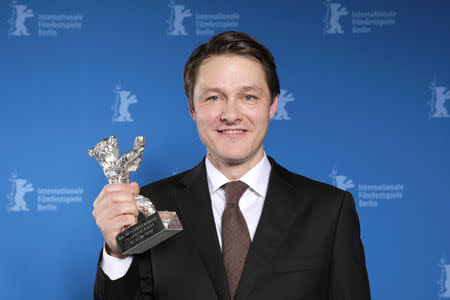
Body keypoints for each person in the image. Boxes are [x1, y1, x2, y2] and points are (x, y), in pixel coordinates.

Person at [93, 31, 371, 300]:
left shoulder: (329, 211)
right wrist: (117, 254)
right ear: (192, 108)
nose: (231, 114)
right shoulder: (148, 207)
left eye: (248, 96)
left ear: (273, 105)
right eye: (214, 97)